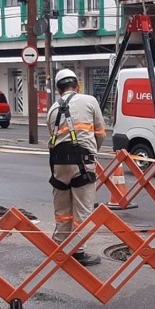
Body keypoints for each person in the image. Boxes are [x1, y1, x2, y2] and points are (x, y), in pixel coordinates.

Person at [46, 69, 106, 266]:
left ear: (58, 89)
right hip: (83, 163)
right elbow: (100, 133)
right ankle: (78, 252)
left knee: (62, 209)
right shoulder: (89, 101)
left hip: (58, 165)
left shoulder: (52, 109)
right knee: (82, 210)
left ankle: (60, 246)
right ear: (77, 85)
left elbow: (52, 138)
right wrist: (91, 153)